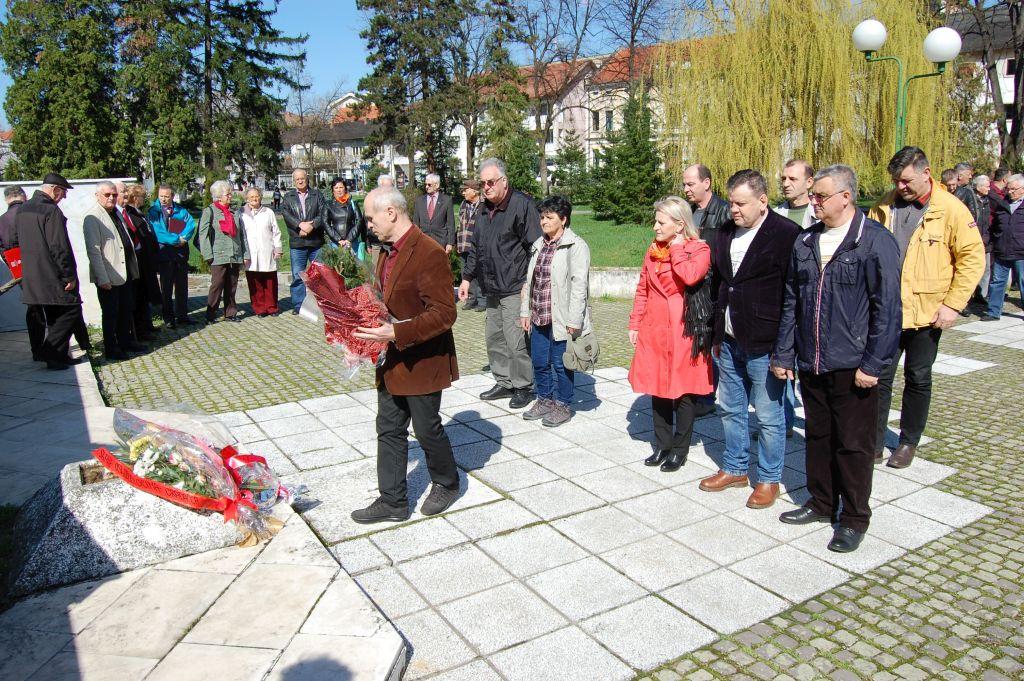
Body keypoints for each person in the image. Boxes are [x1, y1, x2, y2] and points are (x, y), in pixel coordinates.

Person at [773, 164, 902, 553]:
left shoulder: (874, 241)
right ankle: (823, 501)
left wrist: (873, 365)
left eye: (820, 196)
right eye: (813, 195)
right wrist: (784, 352)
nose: (813, 201)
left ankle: (855, 517)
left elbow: (888, 310)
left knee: (853, 445)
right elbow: (792, 300)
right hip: (812, 361)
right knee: (819, 436)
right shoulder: (806, 241)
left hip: (853, 365)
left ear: (846, 197)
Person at [349, 187, 460, 524]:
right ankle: (393, 501)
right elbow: (382, 301)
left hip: (423, 361)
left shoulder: (429, 252)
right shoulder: (386, 252)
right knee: (389, 428)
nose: (369, 225)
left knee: (426, 429)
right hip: (391, 360)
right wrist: (359, 335)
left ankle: (447, 482)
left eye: (371, 217)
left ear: (391, 213)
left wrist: (397, 332)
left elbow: (444, 313)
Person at [868, 146, 984, 469]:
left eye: (905, 181)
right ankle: (873, 442)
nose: (899, 187)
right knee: (878, 376)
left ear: (926, 173)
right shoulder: (883, 206)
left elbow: (973, 259)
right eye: (895, 181)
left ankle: (907, 441)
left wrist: (953, 305)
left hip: (927, 313)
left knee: (918, 377)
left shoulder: (952, 210)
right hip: (888, 311)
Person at [698, 170, 800, 509]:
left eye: (741, 204)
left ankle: (769, 478)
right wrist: (715, 333)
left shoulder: (786, 235)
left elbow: (793, 297)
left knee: (769, 415)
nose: (734, 210)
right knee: (730, 407)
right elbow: (721, 286)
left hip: (765, 342)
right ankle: (736, 467)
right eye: (731, 203)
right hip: (728, 339)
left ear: (762, 201)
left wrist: (785, 350)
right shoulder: (726, 232)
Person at [628, 197, 714, 472]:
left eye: (660, 222)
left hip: (683, 329)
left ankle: (680, 449)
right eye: (656, 221)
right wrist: (635, 322)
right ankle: (662, 445)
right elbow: (643, 287)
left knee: (684, 392)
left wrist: (676, 248)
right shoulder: (653, 250)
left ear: (679, 225)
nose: (654, 227)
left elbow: (691, 276)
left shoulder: (698, 248)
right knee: (658, 388)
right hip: (654, 328)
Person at [458, 157, 543, 409]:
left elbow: (535, 248)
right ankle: (504, 381)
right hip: (491, 286)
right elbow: (476, 247)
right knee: (493, 337)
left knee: (515, 339)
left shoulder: (522, 206)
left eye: (491, 182)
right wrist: (466, 278)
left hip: (515, 286)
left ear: (504, 181)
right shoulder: (484, 209)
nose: (486, 187)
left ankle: (523, 386)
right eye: (483, 183)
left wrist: (529, 284)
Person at [518, 195, 592, 428]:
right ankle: (544, 400)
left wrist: (574, 319)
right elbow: (529, 282)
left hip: (562, 317)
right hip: (539, 313)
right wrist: (524, 312)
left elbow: (580, 286)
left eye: (549, 217)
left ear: (564, 219)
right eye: (542, 217)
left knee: (561, 363)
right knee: (539, 361)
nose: (544, 221)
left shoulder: (576, 246)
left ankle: (563, 404)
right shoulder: (539, 245)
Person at [16, 174, 82, 370]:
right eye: (63, 193)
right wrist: (68, 275)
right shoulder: (50, 210)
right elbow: (59, 246)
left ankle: (58, 357)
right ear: (55, 190)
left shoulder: (23, 208)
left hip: (32, 273)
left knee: (55, 314)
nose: (64, 197)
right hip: (52, 274)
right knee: (72, 309)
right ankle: (50, 351)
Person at [682, 162, 730, 417]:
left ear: (706, 183)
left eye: (691, 184)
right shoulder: (687, 212)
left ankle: (708, 396)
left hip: (714, 288)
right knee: (696, 339)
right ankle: (697, 390)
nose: (686, 189)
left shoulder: (723, 212)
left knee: (712, 343)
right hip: (692, 288)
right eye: (685, 184)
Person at [84, 182, 146, 360]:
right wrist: (102, 278)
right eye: (107, 195)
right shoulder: (93, 217)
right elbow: (93, 250)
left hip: (124, 271)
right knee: (111, 314)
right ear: (97, 195)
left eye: (113, 194)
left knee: (126, 309)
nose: (111, 197)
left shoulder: (116, 213)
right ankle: (112, 348)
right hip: (108, 275)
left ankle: (127, 341)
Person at [0, 185, 47, 360]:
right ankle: (49, 348)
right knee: (47, 307)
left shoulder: (1, 220)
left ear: (7, 199)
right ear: (24, 196)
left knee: (33, 307)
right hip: (40, 266)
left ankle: (37, 348)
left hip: (19, 269)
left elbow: (3, 250)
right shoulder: (31, 214)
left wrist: (14, 265)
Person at [199, 180, 249, 323]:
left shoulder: (234, 212)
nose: (230, 196)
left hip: (234, 254)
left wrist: (245, 254)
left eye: (230, 193)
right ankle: (211, 314)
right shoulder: (210, 211)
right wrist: (207, 254)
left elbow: (242, 234)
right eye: (228, 194)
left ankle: (230, 313)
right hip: (218, 255)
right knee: (217, 285)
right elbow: (203, 234)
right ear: (219, 196)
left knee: (232, 285)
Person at [148, 184, 197, 329]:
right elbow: (158, 232)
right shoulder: (154, 212)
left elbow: (190, 224)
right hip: (165, 255)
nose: (163, 199)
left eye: (166, 196)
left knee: (182, 287)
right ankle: (168, 318)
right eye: (161, 196)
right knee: (167, 288)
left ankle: (182, 315)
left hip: (181, 254)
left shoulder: (180, 210)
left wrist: (183, 238)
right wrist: (176, 240)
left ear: (172, 196)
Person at [113, 182, 157, 341]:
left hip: (141, 261)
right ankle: (134, 333)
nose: (125, 195)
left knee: (141, 297)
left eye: (126, 191)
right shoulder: (116, 214)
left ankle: (142, 329)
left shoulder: (130, 213)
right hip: (130, 263)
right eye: (122, 192)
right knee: (133, 300)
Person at [281, 168, 327, 314]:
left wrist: (311, 226)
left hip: (316, 242)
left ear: (307, 179)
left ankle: (320, 304)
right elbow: (286, 215)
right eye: (297, 179)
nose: (300, 181)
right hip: (297, 243)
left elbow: (323, 213)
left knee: (319, 275)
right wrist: (300, 225)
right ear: (294, 181)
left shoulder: (317, 195)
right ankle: (298, 305)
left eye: (303, 178)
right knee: (297, 275)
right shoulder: (288, 197)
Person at [982, 173, 1024, 321]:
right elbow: (994, 226)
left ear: (1022, 189)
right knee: (997, 282)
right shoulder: (1002, 204)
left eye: (1013, 189)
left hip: (1021, 252)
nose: (1010, 192)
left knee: (1023, 282)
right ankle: (993, 312)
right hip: (1002, 249)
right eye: (1008, 189)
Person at [240, 187, 282, 317]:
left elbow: (276, 232)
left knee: (270, 281)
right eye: (251, 197)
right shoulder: (241, 213)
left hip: (267, 251)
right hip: (251, 253)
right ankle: (260, 308)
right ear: (247, 199)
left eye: (256, 196)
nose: (254, 199)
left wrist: (278, 249)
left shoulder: (268, 212)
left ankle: (272, 307)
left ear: (260, 197)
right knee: (255, 282)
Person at [457, 178, 486, 311]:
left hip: (479, 245)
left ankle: (482, 300)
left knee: (480, 271)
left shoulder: (484, 204)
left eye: (465, 190)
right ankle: (471, 299)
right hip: (464, 243)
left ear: (474, 191)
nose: (463, 192)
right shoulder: (463, 204)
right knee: (466, 272)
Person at [413, 173, 455, 252]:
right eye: (425, 184)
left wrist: (450, 243)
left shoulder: (447, 200)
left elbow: (450, 224)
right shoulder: (419, 201)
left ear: (437, 185)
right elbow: (415, 223)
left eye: (429, 185)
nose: (426, 187)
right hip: (423, 242)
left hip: (440, 242)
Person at [323, 177, 363, 250]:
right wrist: (338, 239)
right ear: (332, 190)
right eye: (336, 188)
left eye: (341, 187)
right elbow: (325, 223)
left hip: (352, 242)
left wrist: (349, 239)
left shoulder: (352, 203)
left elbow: (359, 221)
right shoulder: (328, 205)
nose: (339, 190)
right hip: (335, 243)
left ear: (345, 189)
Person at [775, 159, 816, 229]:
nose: (785, 184)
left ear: (809, 182)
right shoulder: (774, 215)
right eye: (784, 179)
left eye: (792, 179)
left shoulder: (821, 215)